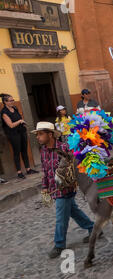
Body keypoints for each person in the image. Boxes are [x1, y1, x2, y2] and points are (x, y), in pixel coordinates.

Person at [33, 122, 96, 259]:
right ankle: (93, 228)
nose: (38, 137)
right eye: (37, 134)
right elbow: (45, 171)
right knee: (73, 211)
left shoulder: (65, 148)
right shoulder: (43, 151)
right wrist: (45, 187)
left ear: (50, 134)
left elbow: (75, 166)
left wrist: (74, 182)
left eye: (40, 134)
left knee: (61, 217)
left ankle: (59, 244)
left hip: (65, 188)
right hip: (54, 190)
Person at [1, 94, 38, 179]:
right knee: (17, 152)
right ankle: (19, 172)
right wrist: (20, 121)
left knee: (24, 150)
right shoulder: (4, 112)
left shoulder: (15, 108)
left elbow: (20, 119)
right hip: (13, 134)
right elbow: (10, 125)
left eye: (13, 100)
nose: (12, 102)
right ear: (5, 102)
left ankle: (28, 169)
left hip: (22, 132)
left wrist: (25, 129)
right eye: (10, 100)